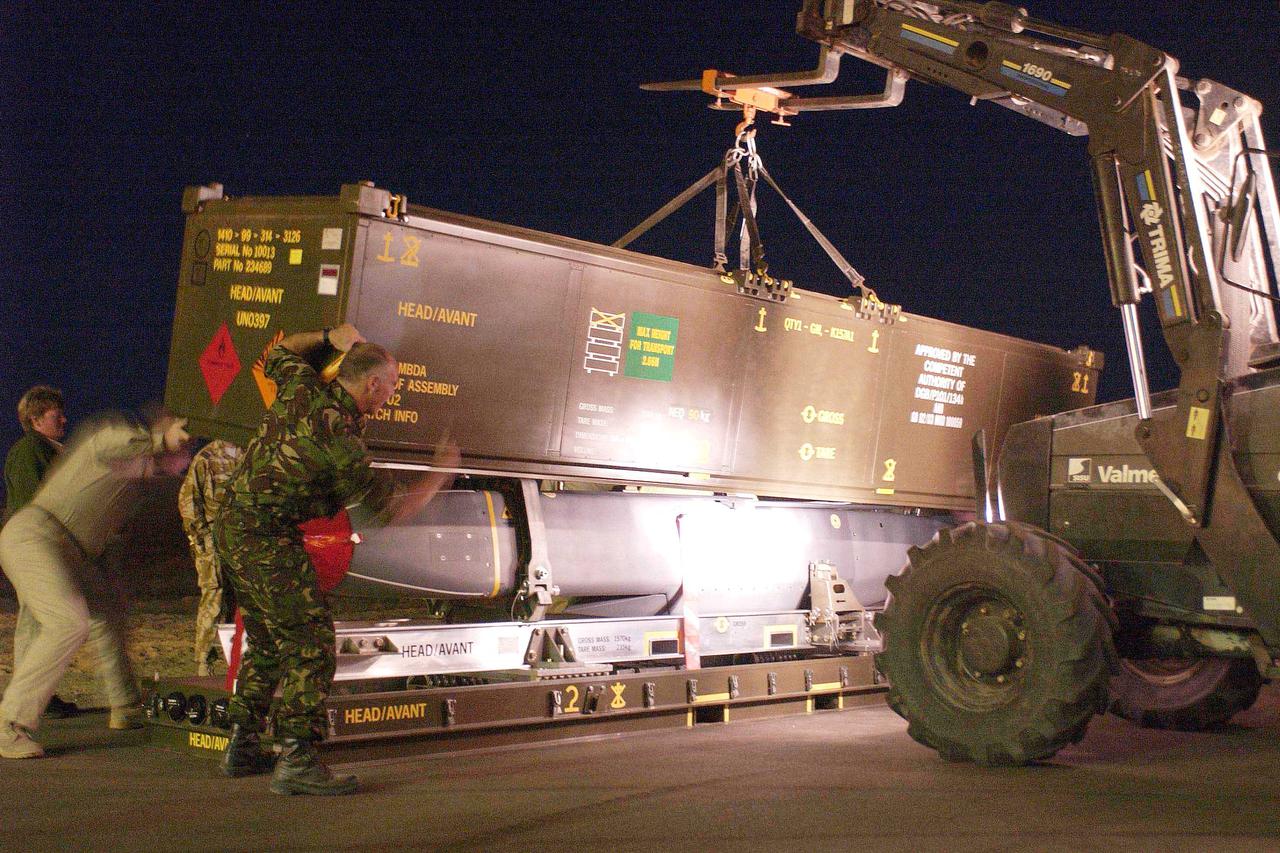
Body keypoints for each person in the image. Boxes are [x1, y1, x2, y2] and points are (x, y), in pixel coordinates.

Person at [215, 324, 455, 795]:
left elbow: (280, 351)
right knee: (311, 643)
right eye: (391, 387)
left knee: (267, 640)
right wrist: (439, 475)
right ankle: (298, 759)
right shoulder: (340, 440)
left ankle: (243, 745)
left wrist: (329, 335)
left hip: (234, 527)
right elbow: (392, 509)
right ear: (371, 385)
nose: (391, 396)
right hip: (267, 537)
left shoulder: (303, 388)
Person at [0, 412, 191, 759]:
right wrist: (161, 439)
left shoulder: (133, 474)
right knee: (67, 623)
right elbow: (114, 444)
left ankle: (126, 704)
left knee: (106, 611)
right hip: (37, 535)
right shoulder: (112, 440)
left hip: (70, 550)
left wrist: (167, 457)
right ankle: (9, 724)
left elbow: (151, 475)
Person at [4, 385, 78, 719]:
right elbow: (35, 501)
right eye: (54, 415)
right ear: (35, 420)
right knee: (47, 623)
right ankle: (27, 703)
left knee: (34, 622)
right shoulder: (30, 451)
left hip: (39, 546)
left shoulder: (46, 449)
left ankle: (35, 697)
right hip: (33, 546)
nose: (63, 419)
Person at [177, 439, 242, 677]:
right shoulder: (207, 458)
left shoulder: (249, 452)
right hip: (212, 539)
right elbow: (188, 501)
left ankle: (237, 658)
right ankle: (204, 659)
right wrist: (201, 537)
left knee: (240, 599)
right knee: (214, 596)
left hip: (240, 539)